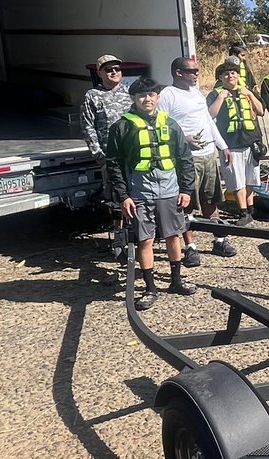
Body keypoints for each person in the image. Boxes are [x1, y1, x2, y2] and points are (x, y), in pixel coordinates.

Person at [105, 76, 197, 311]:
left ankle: (176, 281)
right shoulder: (122, 126)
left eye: (151, 95)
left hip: (169, 189)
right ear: (134, 99)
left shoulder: (171, 124)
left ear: (157, 97)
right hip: (140, 191)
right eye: (142, 96)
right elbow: (113, 163)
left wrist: (186, 189)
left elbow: (185, 158)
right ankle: (150, 288)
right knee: (145, 239)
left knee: (173, 235)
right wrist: (123, 195)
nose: (147, 99)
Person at [157, 56, 237, 263]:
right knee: (187, 202)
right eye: (192, 71)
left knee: (211, 198)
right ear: (178, 73)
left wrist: (223, 145)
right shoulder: (167, 95)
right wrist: (184, 139)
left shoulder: (196, 93)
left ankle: (219, 239)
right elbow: (161, 128)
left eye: (197, 71)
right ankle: (190, 246)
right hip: (186, 158)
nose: (196, 75)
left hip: (208, 154)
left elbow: (207, 120)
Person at [208, 62, 265, 226]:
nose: (231, 76)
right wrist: (220, 98)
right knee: (236, 180)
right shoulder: (215, 94)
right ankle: (243, 212)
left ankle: (251, 209)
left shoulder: (247, 92)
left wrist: (251, 95)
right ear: (220, 78)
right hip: (230, 145)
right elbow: (209, 115)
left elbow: (261, 111)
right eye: (226, 74)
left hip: (251, 142)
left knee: (251, 179)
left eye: (233, 73)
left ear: (238, 75)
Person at [80, 53, 131, 198]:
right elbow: (87, 126)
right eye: (108, 69)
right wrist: (99, 156)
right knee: (115, 197)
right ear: (99, 73)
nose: (114, 72)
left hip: (132, 154)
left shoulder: (131, 92)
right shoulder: (92, 95)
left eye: (117, 68)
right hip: (109, 156)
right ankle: (116, 221)